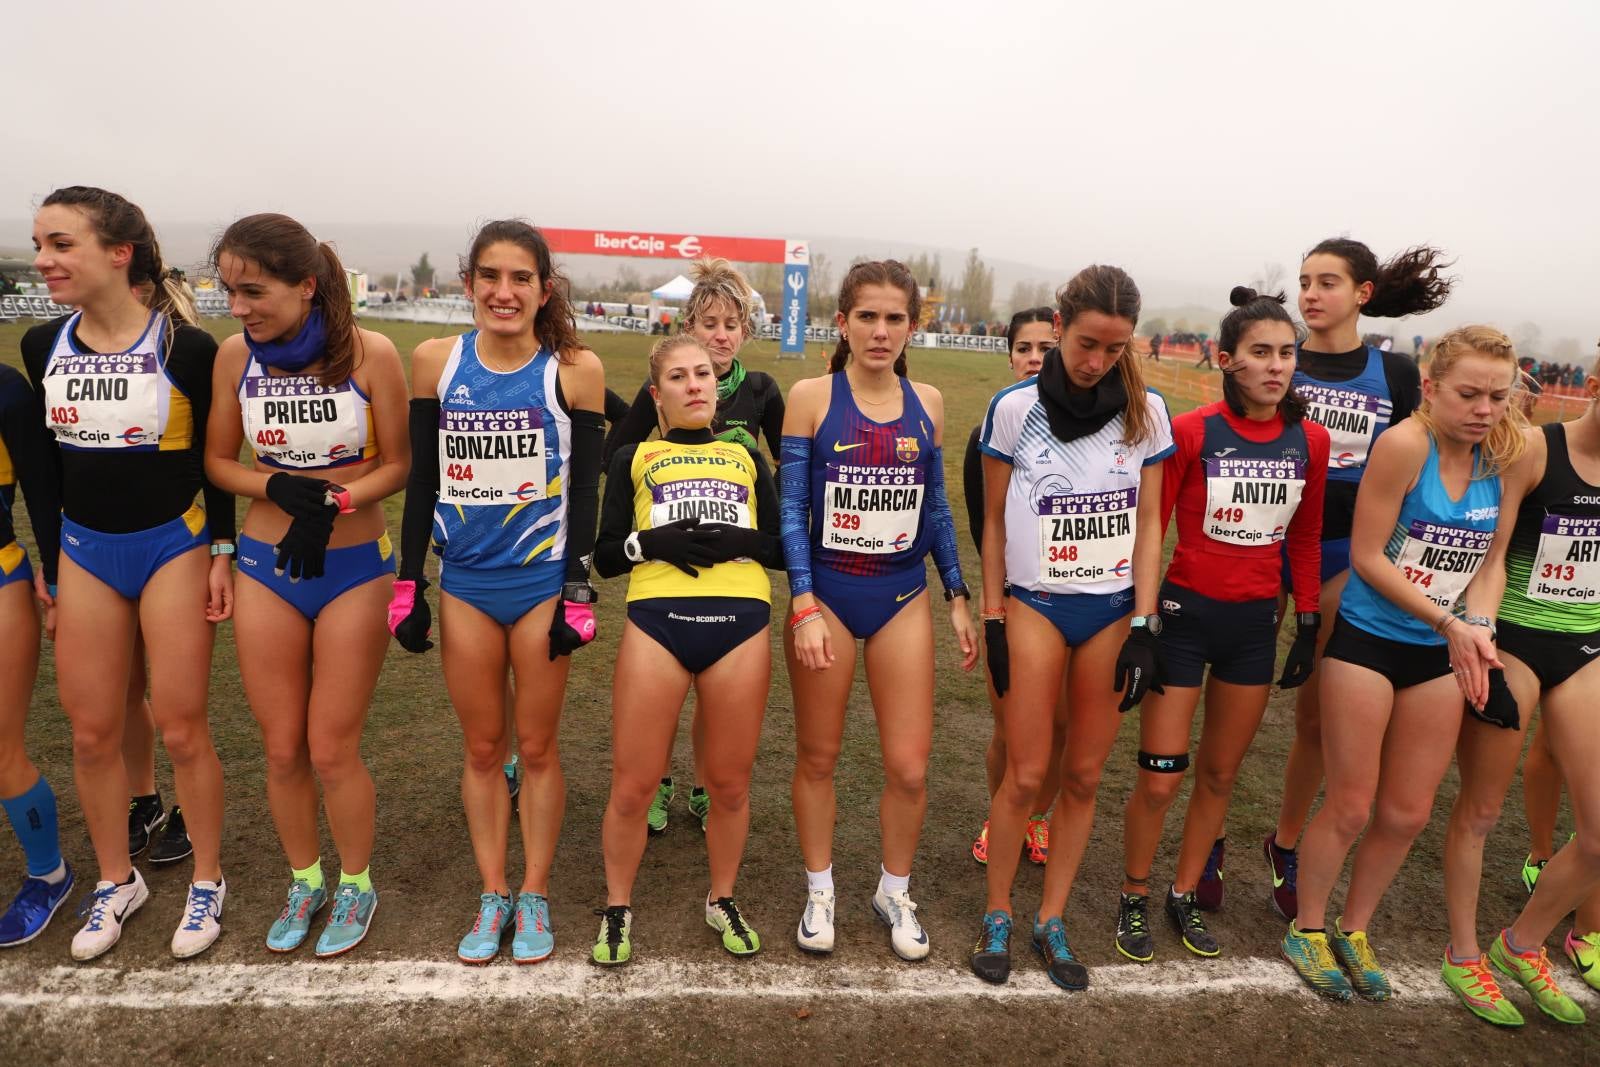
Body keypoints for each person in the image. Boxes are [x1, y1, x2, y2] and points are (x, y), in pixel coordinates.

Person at [1282, 324, 1524, 1003]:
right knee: (1353, 803)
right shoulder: (1403, 446)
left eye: (1498, 396)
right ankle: (1307, 925)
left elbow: (1491, 561)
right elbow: (1365, 556)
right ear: (1431, 388)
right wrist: (1448, 621)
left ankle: (1354, 929)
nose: (1483, 408)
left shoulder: (1501, 453)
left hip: (1439, 650)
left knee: (1409, 811)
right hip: (1369, 639)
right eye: (1469, 393)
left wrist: (1477, 625)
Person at [24, 186, 234, 961]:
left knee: (180, 724)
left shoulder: (187, 349)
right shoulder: (42, 344)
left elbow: (213, 467)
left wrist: (221, 551)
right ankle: (119, 878)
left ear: (119, 253)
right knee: (90, 730)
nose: (44, 259)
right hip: (84, 552)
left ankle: (207, 877)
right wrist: (51, 565)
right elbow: (44, 476)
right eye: (39, 244)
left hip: (172, 544)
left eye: (60, 244)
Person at [389, 220, 604, 964]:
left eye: (520, 278)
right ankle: (493, 891)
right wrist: (407, 580)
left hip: (542, 582)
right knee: (484, 747)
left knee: (536, 747)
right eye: (489, 276)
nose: (503, 292)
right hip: (467, 587)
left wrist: (579, 586)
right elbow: (421, 480)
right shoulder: (434, 361)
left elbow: (585, 490)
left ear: (545, 288)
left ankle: (535, 892)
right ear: (469, 282)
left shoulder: (574, 369)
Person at [204, 214, 410, 957]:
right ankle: (306, 877)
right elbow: (219, 462)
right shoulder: (235, 358)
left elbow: (399, 463)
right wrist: (278, 486)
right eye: (228, 290)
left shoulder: (372, 353)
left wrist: (339, 502)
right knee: (283, 745)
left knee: (330, 746)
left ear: (306, 285)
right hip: (267, 564)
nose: (239, 306)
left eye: (253, 290)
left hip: (354, 566)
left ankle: (356, 882)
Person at [971, 265, 1174, 989]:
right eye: (1088, 343)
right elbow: (992, 524)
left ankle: (1050, 917)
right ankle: (997, 909)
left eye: (1114, 349)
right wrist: (993, 616)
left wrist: (1146, 621)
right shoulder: (1011, 407)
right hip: (1035, 604)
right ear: (1060, 327)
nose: (1097, 361)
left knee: (1083, 774)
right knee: (1027, 770)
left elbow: (1151, 524)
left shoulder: (1147, 412)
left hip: (1112, 610)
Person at [1117, 288, 1329, 963]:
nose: (1276, 366)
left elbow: (1305, 533)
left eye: (1287, 353)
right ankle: (1133, 892)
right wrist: (1143, 622)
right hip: (1182, 619)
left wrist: (1308, 618)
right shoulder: (1192, 431)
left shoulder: (1311, 438)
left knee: (1218, 775)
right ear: (1227, 359)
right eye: (1260, 353)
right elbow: (1150, 526)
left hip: (1252, 629)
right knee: (1160, 776)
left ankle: (1182, 893)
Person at [781, 259, 976, 961]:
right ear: (843, 322)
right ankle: (820, 888)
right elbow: (793, 508)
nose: (881, 330)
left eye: (896, 317)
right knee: (819, 754)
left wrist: (956, 592)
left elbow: (938, 506)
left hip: (901, 597)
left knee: (910, 766)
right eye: (867, 315)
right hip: (826, 594)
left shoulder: (928, 400)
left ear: (913, 325)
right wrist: (803, 603)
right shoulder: (810, 395)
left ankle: (894, 889)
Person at [1263, 238, 1450, 920]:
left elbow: (1418, 461)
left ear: (1363, 293)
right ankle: (1209, 841)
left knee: (1315, 714)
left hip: (1346, 556)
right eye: (1305, 281)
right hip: (1264, 543)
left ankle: (1283, 843)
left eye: (1329, 282)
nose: (1311, 293)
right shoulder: (1278, 356)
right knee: (1242, 703)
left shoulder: (1393, 371)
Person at [590, 334, 785, 965]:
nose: (695, 384)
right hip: (658, 622)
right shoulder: (633, 457)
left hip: (741, 622)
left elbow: (783, 550)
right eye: (679, 377)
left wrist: (742, 537)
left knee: (728, 785)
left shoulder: (748, 458)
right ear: (657, 393)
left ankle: (720, 896)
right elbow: (602, 557)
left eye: (703, 373)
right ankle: (618, 905)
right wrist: (655, 544)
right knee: (634, 784)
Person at [1435, 347, 1600, 1024]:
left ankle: (1521, 942)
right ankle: (1464, 952)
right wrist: (1482, 634)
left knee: (1597, 836)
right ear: (1594, 385)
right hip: (1516, 643)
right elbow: (1491, 556)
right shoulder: (1538, 449)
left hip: (1585, 646)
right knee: (1480, 810)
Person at [604, 260, 785, 837]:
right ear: (690, 324)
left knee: (719, 692)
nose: (721, 335)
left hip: (734, 570)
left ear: (746, 331)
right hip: (666, 565)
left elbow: (789, 463)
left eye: (732, 324)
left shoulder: (759, 390)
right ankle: (657, 781)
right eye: (709, 322)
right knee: (660, 692)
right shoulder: (666, 381)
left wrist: (759, 521)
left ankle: (707, 784)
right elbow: (623, 449)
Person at [963, 306, 1062, 867]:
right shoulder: (989, 431)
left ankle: (1038, 817)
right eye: (1025, 348)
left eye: (1047, 349)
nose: (1035, 359)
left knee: (1065, 722)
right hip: (1017, 600)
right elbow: (984, 528)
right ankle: (1002, 811)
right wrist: (995, 606)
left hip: (1086, 602)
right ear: (1009, 356)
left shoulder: (1102, 425)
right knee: (1010, 724)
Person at [0, 362, 70, 947]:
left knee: (1, 749)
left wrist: (58, 580)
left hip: (1, 581)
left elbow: (43, 494)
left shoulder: (6, 388)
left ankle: (49, 875)